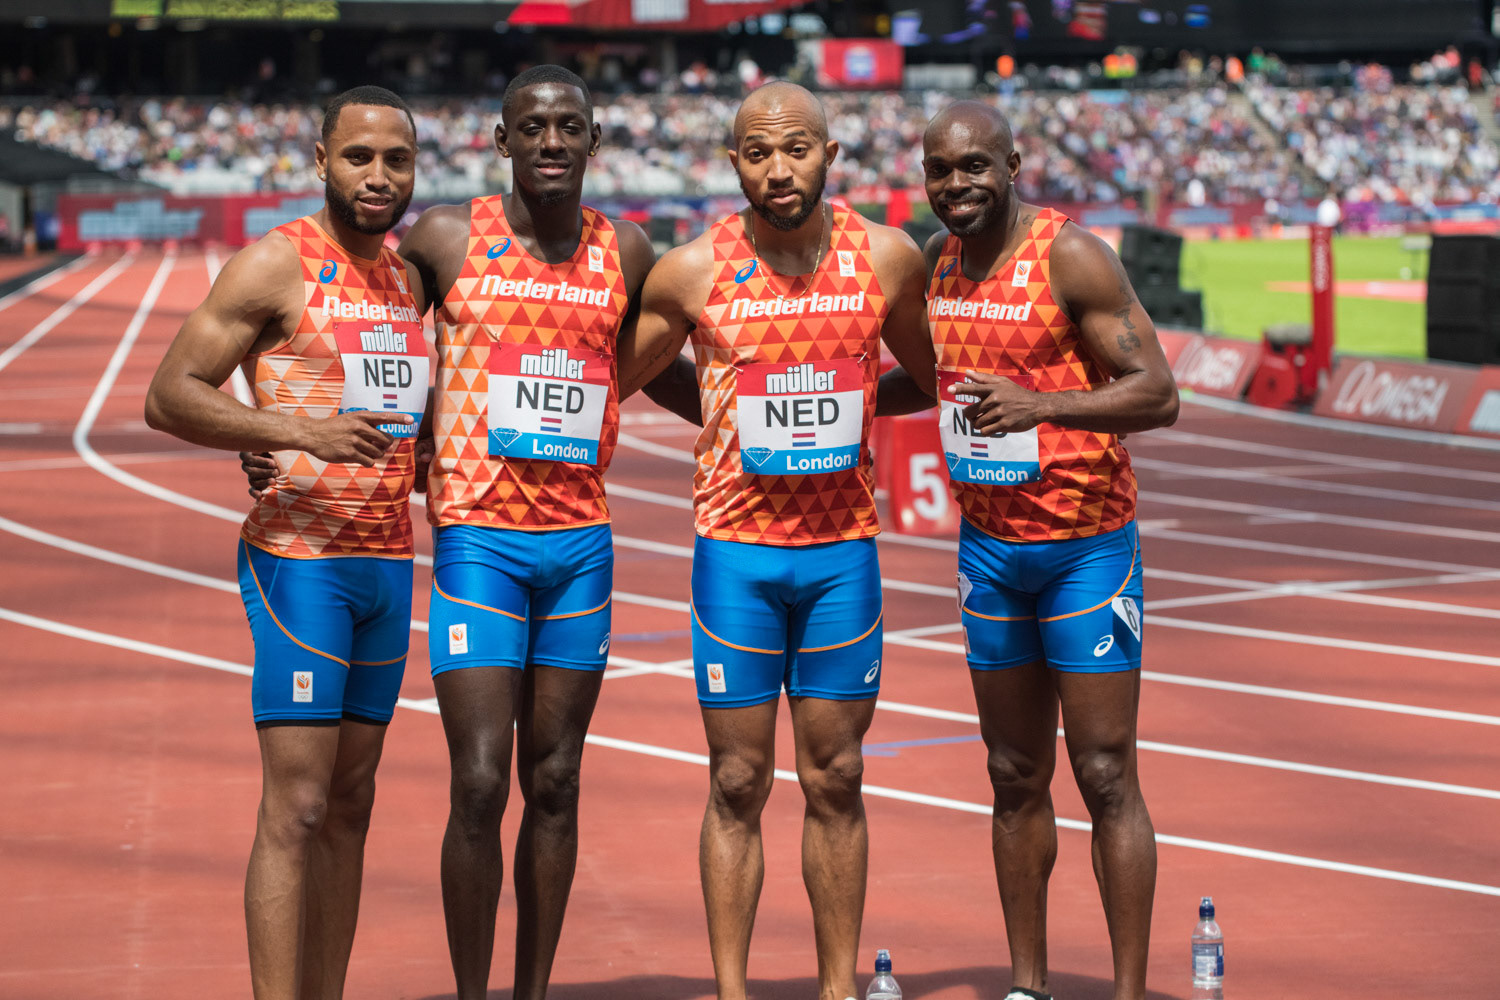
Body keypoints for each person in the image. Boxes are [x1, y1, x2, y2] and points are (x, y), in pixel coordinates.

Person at [615, 82, 938, 1000]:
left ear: (830, 155)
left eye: (795, 148)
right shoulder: (690, 271)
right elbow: (617, 375)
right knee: (737, 779)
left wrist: (866, 406)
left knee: (836, 774)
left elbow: (928, 373)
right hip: (735, 555)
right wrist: (715, 409)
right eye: (757, 152)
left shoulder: (886, 259)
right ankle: (732, 991)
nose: (777, 168)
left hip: (842, 555)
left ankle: (838, 987)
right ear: (733, 163)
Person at [395, 65, 694, 1000]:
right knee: (482, 782)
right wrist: (289, 420)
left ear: (596, 141)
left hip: (578, 548)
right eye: (534, 127)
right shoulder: (447, 237)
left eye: (571, 126)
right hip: (479, 541)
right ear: (502, 140)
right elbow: (365, 337)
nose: (552, 141)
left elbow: (666, 371)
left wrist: (776, 410)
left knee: (555, 782)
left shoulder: (629, 251)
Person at [879, 100, 1178, 1000]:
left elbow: (1157, 393)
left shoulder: (1069, 255)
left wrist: (1040, 405)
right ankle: (1026, 984)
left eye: (974, 167)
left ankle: (1127, 989)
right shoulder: (937, 265)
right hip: (991, 554)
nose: (956, 186)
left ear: (1012, 164)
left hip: (1086, 548)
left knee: (1103, 771)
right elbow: (928, 384)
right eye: (940, 171)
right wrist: (839, 404)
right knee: (1013, 773)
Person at [144, 86, 426, 1000]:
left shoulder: (410, 279)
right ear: (320, 161)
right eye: (359, 158)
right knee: (299, 806)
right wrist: (290, 433)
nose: (378, 177)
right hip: (299, 562)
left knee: (351, 806)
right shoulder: (274, 264)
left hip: (389, 561)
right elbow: (171, 392)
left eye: (396, 161)